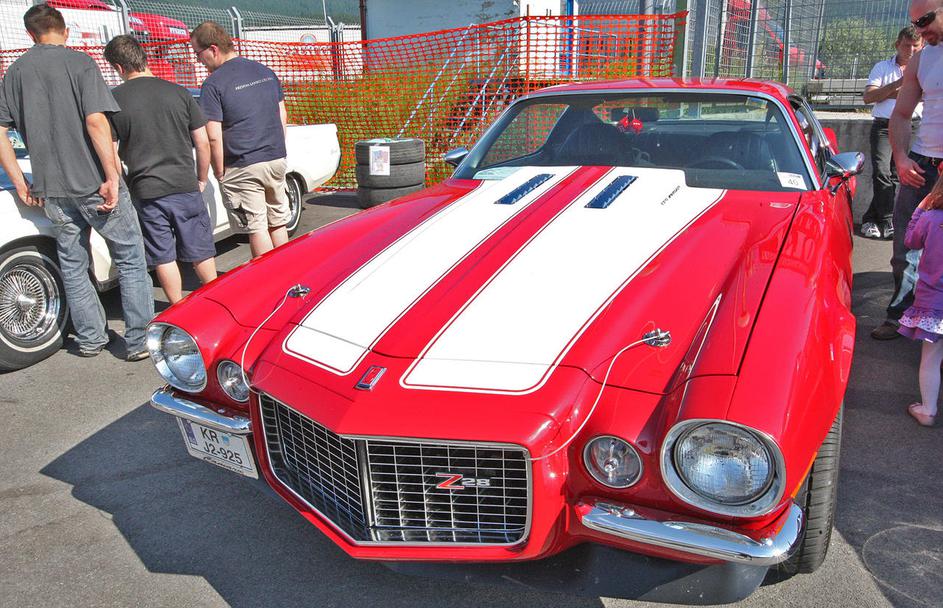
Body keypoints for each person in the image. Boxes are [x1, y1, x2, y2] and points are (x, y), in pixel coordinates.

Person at [0, 4, 153, 361]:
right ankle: (137, 341)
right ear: (65, 30)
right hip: (93, 182)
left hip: (51, 189)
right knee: (130, 259)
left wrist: (19, 180)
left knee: (73, 265)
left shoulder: (15, 72)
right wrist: (112, 175)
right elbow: (96, 121)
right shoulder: (80, 63)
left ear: (30, 34)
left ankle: (90, 339)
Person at [103, 34, 217, 305]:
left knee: (163, 255)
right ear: (143, 57)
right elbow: (203, 142)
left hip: (146, 190)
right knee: (200, 249)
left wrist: (125, 183)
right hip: (184, 183)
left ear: (118, 67)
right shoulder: (179, 92)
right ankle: (216, 301)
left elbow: (112, 154)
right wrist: (201, 177)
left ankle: (178, 306)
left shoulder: (113, 101)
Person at [872, 0, 943, 340]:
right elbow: (900, 114)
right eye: (915, 23)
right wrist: (900, 157)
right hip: (920, 164)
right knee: (905, 246)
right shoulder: (921, 59)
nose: (919, 30)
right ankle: (900, 315)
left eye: (925, 20)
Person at [189, 21, 290, 258]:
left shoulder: (213, 84)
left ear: (213, 49)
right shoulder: (264, 71)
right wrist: (278, 148)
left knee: (257, 227)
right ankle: (289, 270)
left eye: (198, 53)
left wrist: (219, 171)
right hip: (275, 157)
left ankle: (267, 276)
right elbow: (281, 114)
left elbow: (213, 136)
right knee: (278, 221)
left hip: (243, 164)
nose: (198, 60)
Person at [860, 27, 923, 240]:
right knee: (882, 171)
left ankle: (871, 219)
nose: (911, 50)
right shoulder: (882, 67)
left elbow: (926, 95)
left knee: (897, 174)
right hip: (883, 126)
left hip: (911, 125)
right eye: (907, 46)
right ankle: (887, 220)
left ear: (922, 46)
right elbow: (869, 97)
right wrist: (900, 85)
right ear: (897, 45)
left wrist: (886, 93)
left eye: (916, 46)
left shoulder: (925, 67)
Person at [897, 196, 943, 426]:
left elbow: (910, 240)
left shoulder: (931, 218)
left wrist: (919, 209)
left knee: (931, 359)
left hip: (934, 302)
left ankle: (927, 410)